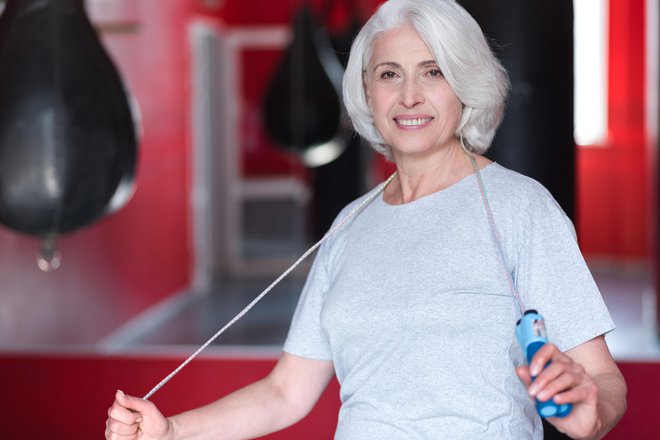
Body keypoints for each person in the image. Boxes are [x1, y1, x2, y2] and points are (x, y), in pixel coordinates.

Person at [105, 0, 627, 438]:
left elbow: (604, 379)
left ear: (464, 84)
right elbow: (286, 392)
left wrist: (592, 412)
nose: (409, 96)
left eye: (433, 71)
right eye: (389, 74)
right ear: (368, 94)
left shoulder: (521, 208)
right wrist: (171, 431)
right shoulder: (350, 225)